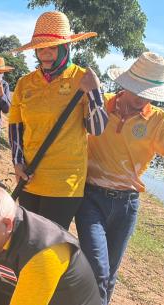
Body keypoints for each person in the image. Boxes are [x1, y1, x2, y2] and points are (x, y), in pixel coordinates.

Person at [75, 52, 164, 305]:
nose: (141, 99)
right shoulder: (100, 106)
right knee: (99, 273)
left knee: (109, 277)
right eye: (138, 90)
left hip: (127, 205)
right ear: (126, 84)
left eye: (148, 94)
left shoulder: (157, 120)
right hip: (91, 198)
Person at [8, 11, 108, 230]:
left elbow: (98, 128)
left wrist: (94, 93)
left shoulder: (82, 78)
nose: (45, 54)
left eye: (52, 47)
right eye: (41, 48)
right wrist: (17, 162)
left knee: (48, 244)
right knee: (27, 238)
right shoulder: (25, 83)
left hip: (65, 184)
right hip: (30, 177)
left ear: (66, 47)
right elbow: (15, 125)